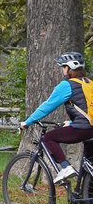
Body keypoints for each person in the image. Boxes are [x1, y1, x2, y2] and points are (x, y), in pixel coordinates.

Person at [20, 52, 93, 181]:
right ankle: (85, 200)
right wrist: (71, 124)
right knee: (89, 167)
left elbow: (47, 106)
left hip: (83, 129)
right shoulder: (90, 83)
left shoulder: (67, 85)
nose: (63, 70)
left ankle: (65, 167)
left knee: (48, 138)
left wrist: (28, 122)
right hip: (89, 129)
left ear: (68, 68)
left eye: (63, 66)